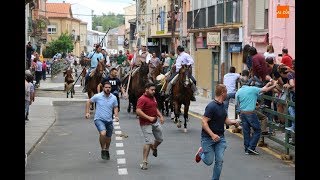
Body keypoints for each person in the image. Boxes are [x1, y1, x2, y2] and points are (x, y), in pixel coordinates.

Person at [194, 84, 240, 180]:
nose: (227, 94)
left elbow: (226, 120)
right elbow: (204, 121)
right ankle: (200, 153)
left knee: (219, 161)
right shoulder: (211, 106)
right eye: (226, 92)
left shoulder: (223, 105)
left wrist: (234, 122)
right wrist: (212, 135)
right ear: (223, 93)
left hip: (220, 138)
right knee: (208, 161)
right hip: (208, 138)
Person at [235, 79, 277, 155]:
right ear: (249, 84)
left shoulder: (239, 91)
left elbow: (236, 104)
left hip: (242, 113)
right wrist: (274, 85)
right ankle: (251, 147)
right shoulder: (253, 89)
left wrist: (268, 84)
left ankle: (247, 148)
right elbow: (265, 90)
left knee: (246, 131)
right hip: (250, 113)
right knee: (257, 130)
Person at [85, 81, 119, 160]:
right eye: (106, 87)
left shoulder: (113, 97)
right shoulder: (98, 96)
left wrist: (116, 116)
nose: (108, 89)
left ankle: (107, 149)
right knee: (103, 133)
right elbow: (88, 102)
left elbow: (115, 107)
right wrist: (87, 112)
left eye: (109, 88)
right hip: (99, 119)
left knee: (108, 137)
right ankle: (103, 149)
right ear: (103, 88)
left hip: (109, 120)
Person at [136, 82, 165, 170]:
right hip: (146, 123)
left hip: (155, 122)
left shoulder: (153, 97)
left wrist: (160, 116)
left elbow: (155, 108)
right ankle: (144, 162)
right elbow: (138, 111)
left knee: (160, 139)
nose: (154, 91)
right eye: (152, 90)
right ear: (146, 89)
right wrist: (148, 118)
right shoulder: (142, 99)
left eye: (154, 90)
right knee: (148, 141)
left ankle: (154, 147)